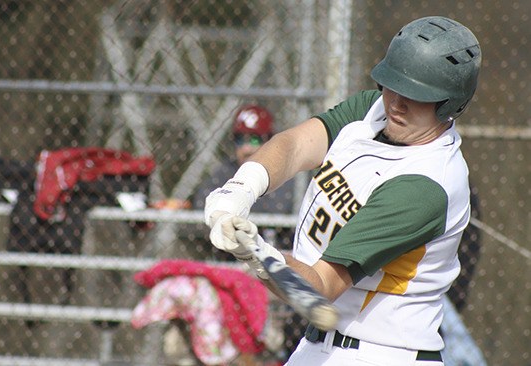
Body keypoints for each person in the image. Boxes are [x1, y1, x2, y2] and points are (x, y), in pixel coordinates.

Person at [203, 16, 481, 366]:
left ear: (449, 105)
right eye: (393, 85)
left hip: (383, 355)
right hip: (320, 346)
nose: (396, 102)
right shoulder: (373, 111)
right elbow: (295, 145)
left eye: (416, 96)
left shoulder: (425, 185)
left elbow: (320, 285)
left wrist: (258, 253)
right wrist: (242, 188)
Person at [193, 104, 296, 253]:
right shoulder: (226, 170)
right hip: (231, 254)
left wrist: (232, 206)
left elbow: (280, 207)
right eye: (240, 140)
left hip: (278, 251)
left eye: (254, 140)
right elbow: (201, 203)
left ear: (269, 141)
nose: (246, 148)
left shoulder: (286, 173)